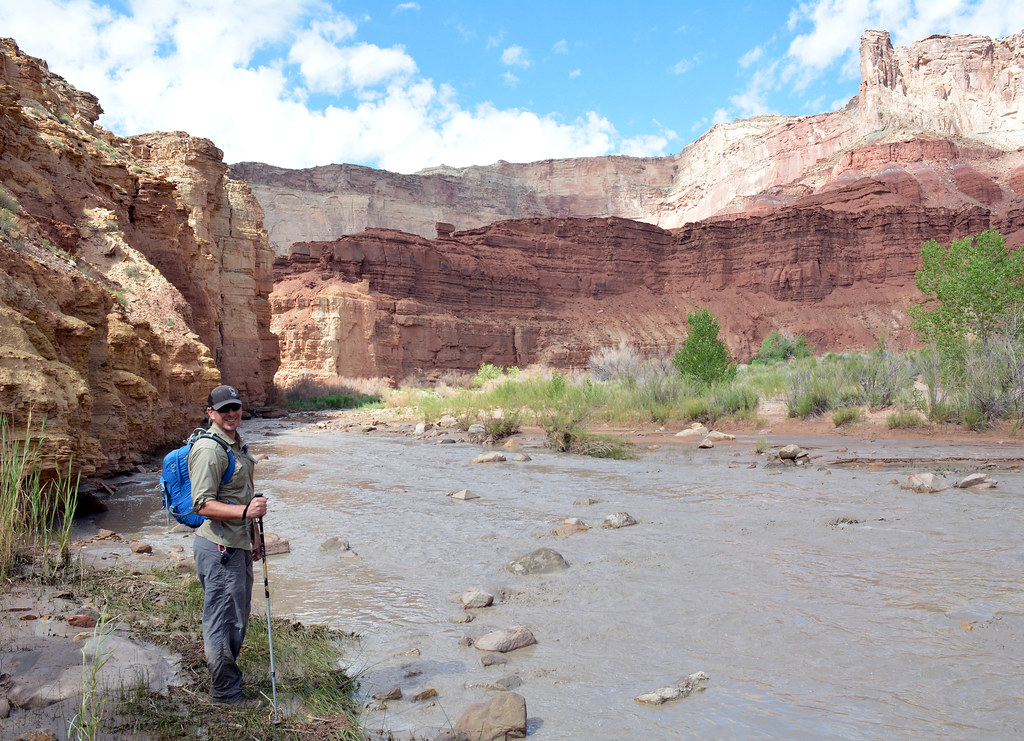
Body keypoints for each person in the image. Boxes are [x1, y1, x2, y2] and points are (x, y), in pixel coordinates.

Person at [189, 384, 268, 705]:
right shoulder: (209, 450)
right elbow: (202, 504)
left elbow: (242, 493)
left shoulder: (235, 445)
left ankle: (226, 680)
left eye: (235, 407)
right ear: (211, 413)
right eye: (224, 410)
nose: (232, 413)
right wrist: (245, 512)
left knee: (237, 617)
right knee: (223, 620)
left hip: (237, 544)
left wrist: (255, 535)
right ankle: (225, 694)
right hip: (218, 548)